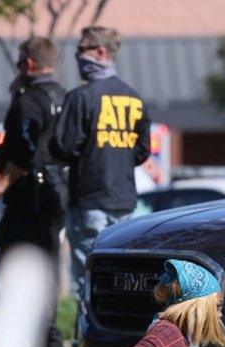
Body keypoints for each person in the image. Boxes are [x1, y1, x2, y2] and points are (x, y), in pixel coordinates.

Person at [51, 26, 151, 301]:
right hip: (125, 204)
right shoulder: (135, 99)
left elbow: (61, 146)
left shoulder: (80, 97)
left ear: (100, 53)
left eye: (81, 50)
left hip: (89, 201)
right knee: (120, 278)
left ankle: (87, 341)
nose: (77, 56)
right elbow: (142, 152)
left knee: (88, 280)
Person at [0, 36, 71, 347]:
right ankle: (48, 339)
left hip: (29, 195)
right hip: (56, 192)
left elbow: (21, 153)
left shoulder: (29, 101)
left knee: (15, 262)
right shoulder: (64, 97)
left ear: (29, 64)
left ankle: (33, 335)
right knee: (47, 266)